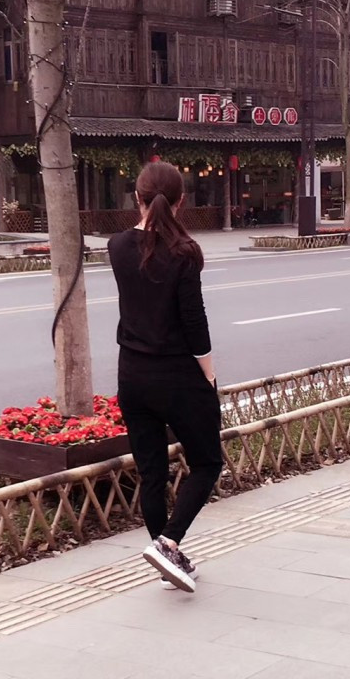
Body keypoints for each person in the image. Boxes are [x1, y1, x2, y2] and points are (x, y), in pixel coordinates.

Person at [107, 161, 223, 593]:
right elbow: (194, 321)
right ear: (181, 200)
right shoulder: (185, 252)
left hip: (132, 375)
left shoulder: (117, 246)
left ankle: (166, 560)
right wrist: (208, 374)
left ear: (136, 197)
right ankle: (169, 543)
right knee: (207, 463)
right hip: (177, 376)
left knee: (152, 473)